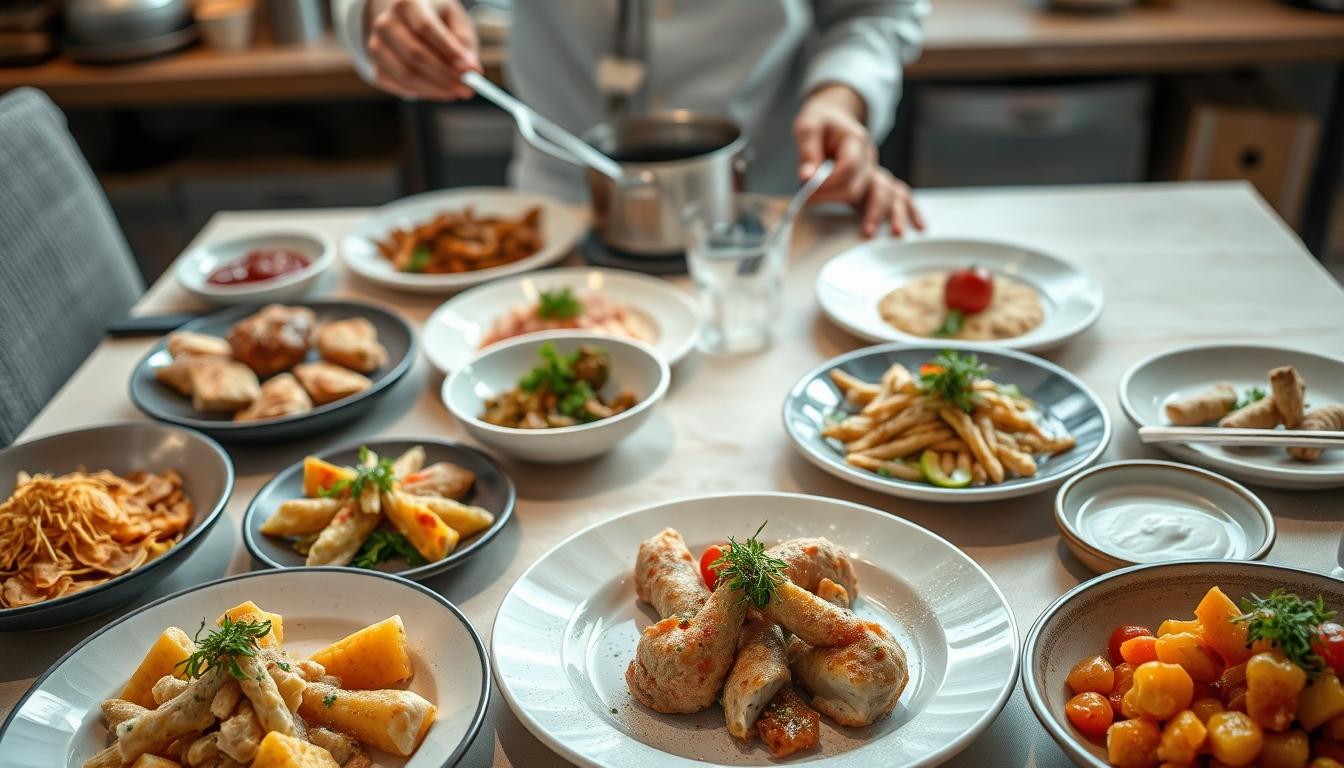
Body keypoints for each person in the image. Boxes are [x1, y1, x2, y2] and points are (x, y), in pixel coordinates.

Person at [334, 0, 928, 237]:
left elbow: (876, 10)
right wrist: (382, 15)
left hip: (765, 205)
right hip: (563, 210)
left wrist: (840, 95)